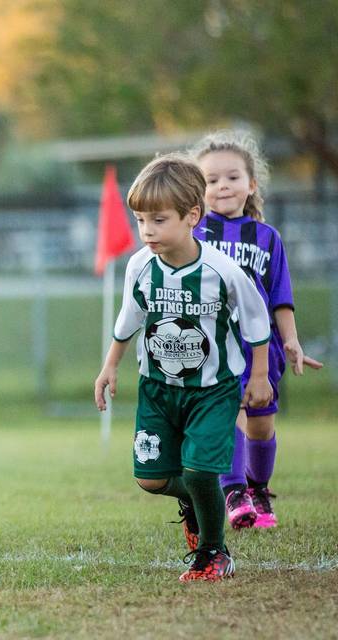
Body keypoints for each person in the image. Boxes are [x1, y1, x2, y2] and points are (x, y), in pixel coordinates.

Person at [94, 153, 273, 582]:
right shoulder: (140, 265)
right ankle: (198, 499)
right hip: (157, 389)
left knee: (199, 470)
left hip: (213, 390)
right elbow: (129, 320)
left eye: (158, 220)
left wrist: (261, 375)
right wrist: (110, 367)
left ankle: (214, 552)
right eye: (140, 221)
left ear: (192, 216)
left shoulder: (222, 270)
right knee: (150, 480)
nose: (147, 232)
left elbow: (256, 320)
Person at [192, 131, 323, 529]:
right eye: (211, 181)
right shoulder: (194, 235)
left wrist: (292, 340)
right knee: (226, 414)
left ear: (251, 184)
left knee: (260, 424)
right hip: (214, 347)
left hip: (261, 349)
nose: (222, 186)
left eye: (232, 177)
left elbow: (280, 297)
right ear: (198, 191)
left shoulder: (267, 238)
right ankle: (233, 491)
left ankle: (258, 487)